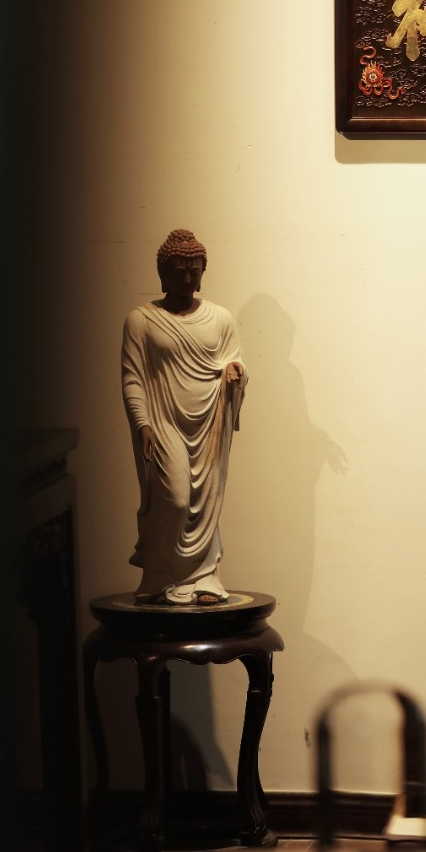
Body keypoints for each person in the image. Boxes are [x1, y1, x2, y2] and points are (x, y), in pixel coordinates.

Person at [122, 229, 246, 605]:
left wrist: (235, 372)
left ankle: (205, 576)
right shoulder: (141, 320)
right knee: (175, 499)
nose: (188, 279)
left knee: (206, 502)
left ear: (203, 272)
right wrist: (142, 423)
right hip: (164, 423)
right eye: (179, 272)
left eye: (195, 271)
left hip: (209, 421)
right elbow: (133, 377)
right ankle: (159, 574)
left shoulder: (221, 318)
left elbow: (234, 360)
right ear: (163, 274)